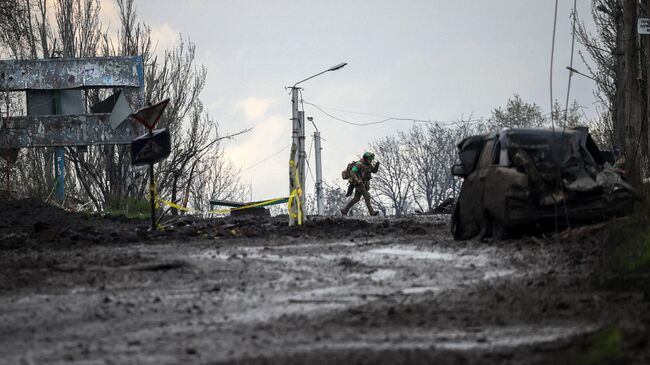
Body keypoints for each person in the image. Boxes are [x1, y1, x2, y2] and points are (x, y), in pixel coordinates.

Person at [340, 152, 380, 216]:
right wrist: (357, 180)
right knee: (367, 195)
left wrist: (377, 165)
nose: (371, 161)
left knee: (356, 198)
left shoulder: (369, 165)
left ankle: (345, 210)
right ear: (366, 158)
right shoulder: (359, 164)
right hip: (358, 183)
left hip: (363, 183)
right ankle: (372, 212)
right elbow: (352, 172)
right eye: (370, 159)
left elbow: (374, 171)